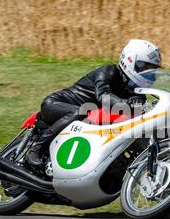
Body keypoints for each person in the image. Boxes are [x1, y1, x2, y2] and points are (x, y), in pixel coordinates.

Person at [25, 39, 162, 168]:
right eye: (144, 68)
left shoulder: (137, 93)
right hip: (56, 104)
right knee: (84, 111)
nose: (148, 73)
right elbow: (103, 96)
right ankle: (36, 149)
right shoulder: (109, 71)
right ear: (130, 61)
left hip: (86, 120)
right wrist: (126, 103)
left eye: (152, 70)